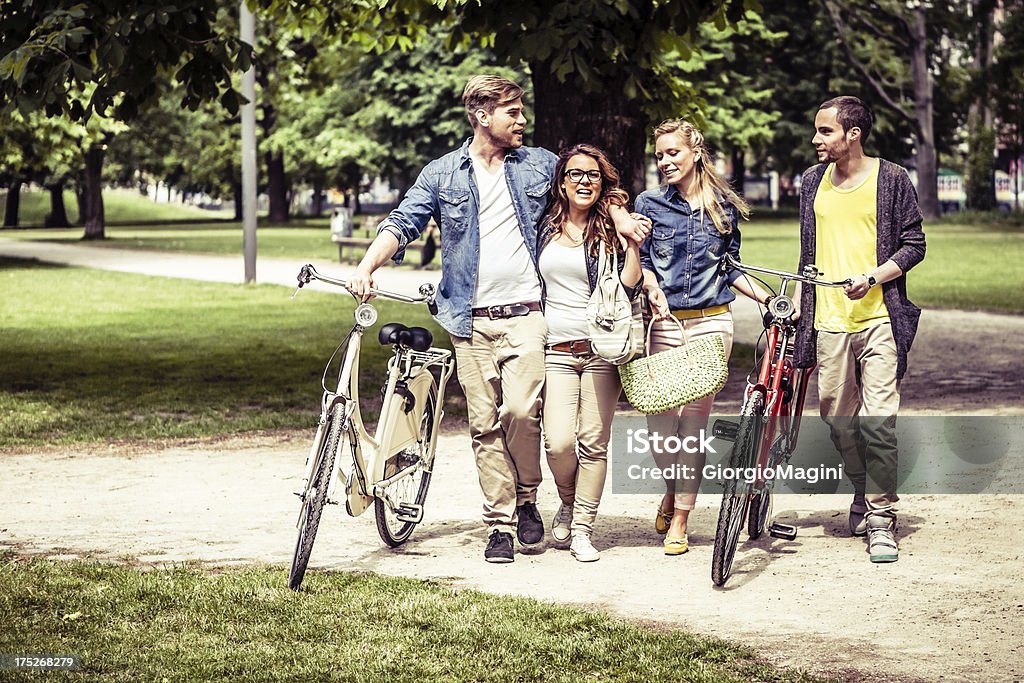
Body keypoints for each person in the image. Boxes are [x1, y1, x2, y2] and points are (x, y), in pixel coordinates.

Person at [348, 74, 648, 564]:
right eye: (513, 111)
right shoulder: (442, 174)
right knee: (484, 424)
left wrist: (618, 218)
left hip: (528, 315)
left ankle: (528, 494)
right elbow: (402, 222)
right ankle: (502, 523)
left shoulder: (540, 166)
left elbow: (591, 187)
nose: (523, 119)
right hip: (468, 320)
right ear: (482, 116)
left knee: (520, 413)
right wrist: (367, 265)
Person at [793, 95, 926, 563]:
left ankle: (881, 518)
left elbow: (914, 244)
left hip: (878, 318)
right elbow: (808, 255)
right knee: (837, 419)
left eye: (825, 131)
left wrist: (872, 277)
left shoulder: (891, 179)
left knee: (879, 421)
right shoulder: (812, 182)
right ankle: (861, 489)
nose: (815, 139)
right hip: (828, 321)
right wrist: (798, 307)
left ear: (853, 134)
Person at [635, 118, 773, 556]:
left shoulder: (723, 207)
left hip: (713, 324)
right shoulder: (650, 203)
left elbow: (731, 268)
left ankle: (681, 519)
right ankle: (673, 491)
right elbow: (640, 261)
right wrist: (652, 285)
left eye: (672, 152)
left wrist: (766, 299)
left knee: (691, 428)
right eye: (659, 155)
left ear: (695, 152)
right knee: (661, 430)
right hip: (666, 324)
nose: (665, 161)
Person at [537, 144, 643, 562]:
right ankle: (567, 499)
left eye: (593, 176)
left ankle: (582, 527)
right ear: (562, 182)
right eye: (576, 174)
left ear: (603, 183)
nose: (585, 181)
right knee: (558, 442)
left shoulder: (612, 226)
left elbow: (630, 284)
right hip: (556, 350)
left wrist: (630, 240)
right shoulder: (544, 227)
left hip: (602, 351)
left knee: (593, 443)